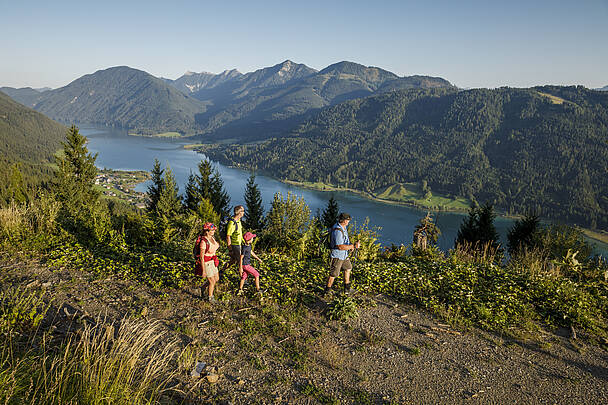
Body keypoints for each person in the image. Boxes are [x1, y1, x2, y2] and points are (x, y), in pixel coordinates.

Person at [324, 212, 360, 297]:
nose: (348, 222)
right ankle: (327, 291)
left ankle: (347, 289)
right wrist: (353, 246)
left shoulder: (343, 227)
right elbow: (340, 246)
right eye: (347, 220)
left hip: (344, 255)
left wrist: (350, 247)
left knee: (348, 268)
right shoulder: (337, 230)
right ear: (343, 220)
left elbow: (344, 243)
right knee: (334, 274)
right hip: (337, 255)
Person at [194, 222, 220, 303]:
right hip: (206, 262)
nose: (214, 231)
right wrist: (203, 270)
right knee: (212, 281)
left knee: (216, 279)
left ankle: (202, 288)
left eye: (214, 230)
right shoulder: (203, 242)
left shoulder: (212, 238)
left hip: (212, 261)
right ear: (207, 231)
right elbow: (201, 257)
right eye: (212, 230)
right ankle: (210, 298)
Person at [237, 232, 263, 297]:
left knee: (244, 276)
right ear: (249, 239)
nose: (253, 239)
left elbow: (251, 252)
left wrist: (258, 258)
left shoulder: (249, 246)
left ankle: (240, 289)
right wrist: (240, 267)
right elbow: (241, 257)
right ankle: (258, 289)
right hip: (245, 265)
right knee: (256, 274)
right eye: (252, 238)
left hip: (246, 264)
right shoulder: (244, 248)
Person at [224, 205, 245, 277]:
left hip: (239, 244)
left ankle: (221, 271)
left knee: (233, 261)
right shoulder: (232, 223)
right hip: (235, 245)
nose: (244, 213)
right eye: (243, 211)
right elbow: (228, 236)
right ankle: (243, 280)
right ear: (239, 212)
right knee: (240, 262)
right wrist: (230, 250)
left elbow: (239, 233)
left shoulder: (238, 221)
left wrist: (244, 242)